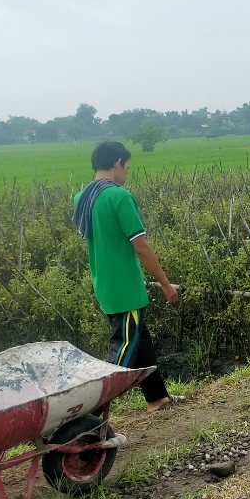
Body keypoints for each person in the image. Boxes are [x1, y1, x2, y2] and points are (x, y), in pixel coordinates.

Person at [72, 141, 182, 411]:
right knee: (121, 353)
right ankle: (88, 414)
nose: (127, 173)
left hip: (105, 284)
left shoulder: (83, 197)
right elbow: (141, 246)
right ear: (117, 163)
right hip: (124, 289)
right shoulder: (119, 197)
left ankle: (157, 399)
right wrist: (165, 284)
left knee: (140, 341)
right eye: (127, 167)